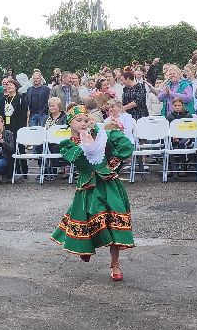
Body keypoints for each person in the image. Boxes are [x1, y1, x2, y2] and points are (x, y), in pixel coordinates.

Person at [50, 105, 136, 280]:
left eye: (86, 119)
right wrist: (89, 141)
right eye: (78, 120)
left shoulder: (101, 136)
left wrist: (99, 130)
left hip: (109, 183)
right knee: (91, 218)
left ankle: (115, 264)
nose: (83, 123)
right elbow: (82, 159)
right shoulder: (67, 145)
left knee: (114, 222)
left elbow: (126, 145)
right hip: (89, 186)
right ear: (69, 123)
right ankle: (86, 245)